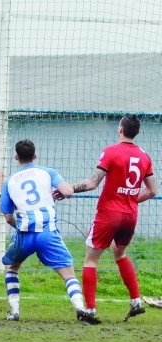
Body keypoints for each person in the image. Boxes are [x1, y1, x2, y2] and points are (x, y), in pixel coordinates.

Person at [67, 114, 157, 323]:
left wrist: (68, 189)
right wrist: (131, 200)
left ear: (120, 130)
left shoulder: (111, 152)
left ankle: (89, 311)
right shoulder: (144, 156)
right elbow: (152, 190)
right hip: (130, 215)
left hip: (109, 213)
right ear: (138, 133)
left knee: (91, 259)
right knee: (120, 253)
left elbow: (92, 183)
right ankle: (136, 301)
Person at [0, 140, 97, 323]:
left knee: (12, 268)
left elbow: (7, 217)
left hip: (24, 235)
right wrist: (63, 192)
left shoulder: (9, 182)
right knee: (68, 274)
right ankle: (80, 308)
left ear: (16, 157)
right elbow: (67, 191)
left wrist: (21, 227)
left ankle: (14, 311)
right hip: (48, 233)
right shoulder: (47, 172)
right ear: (35, 156)